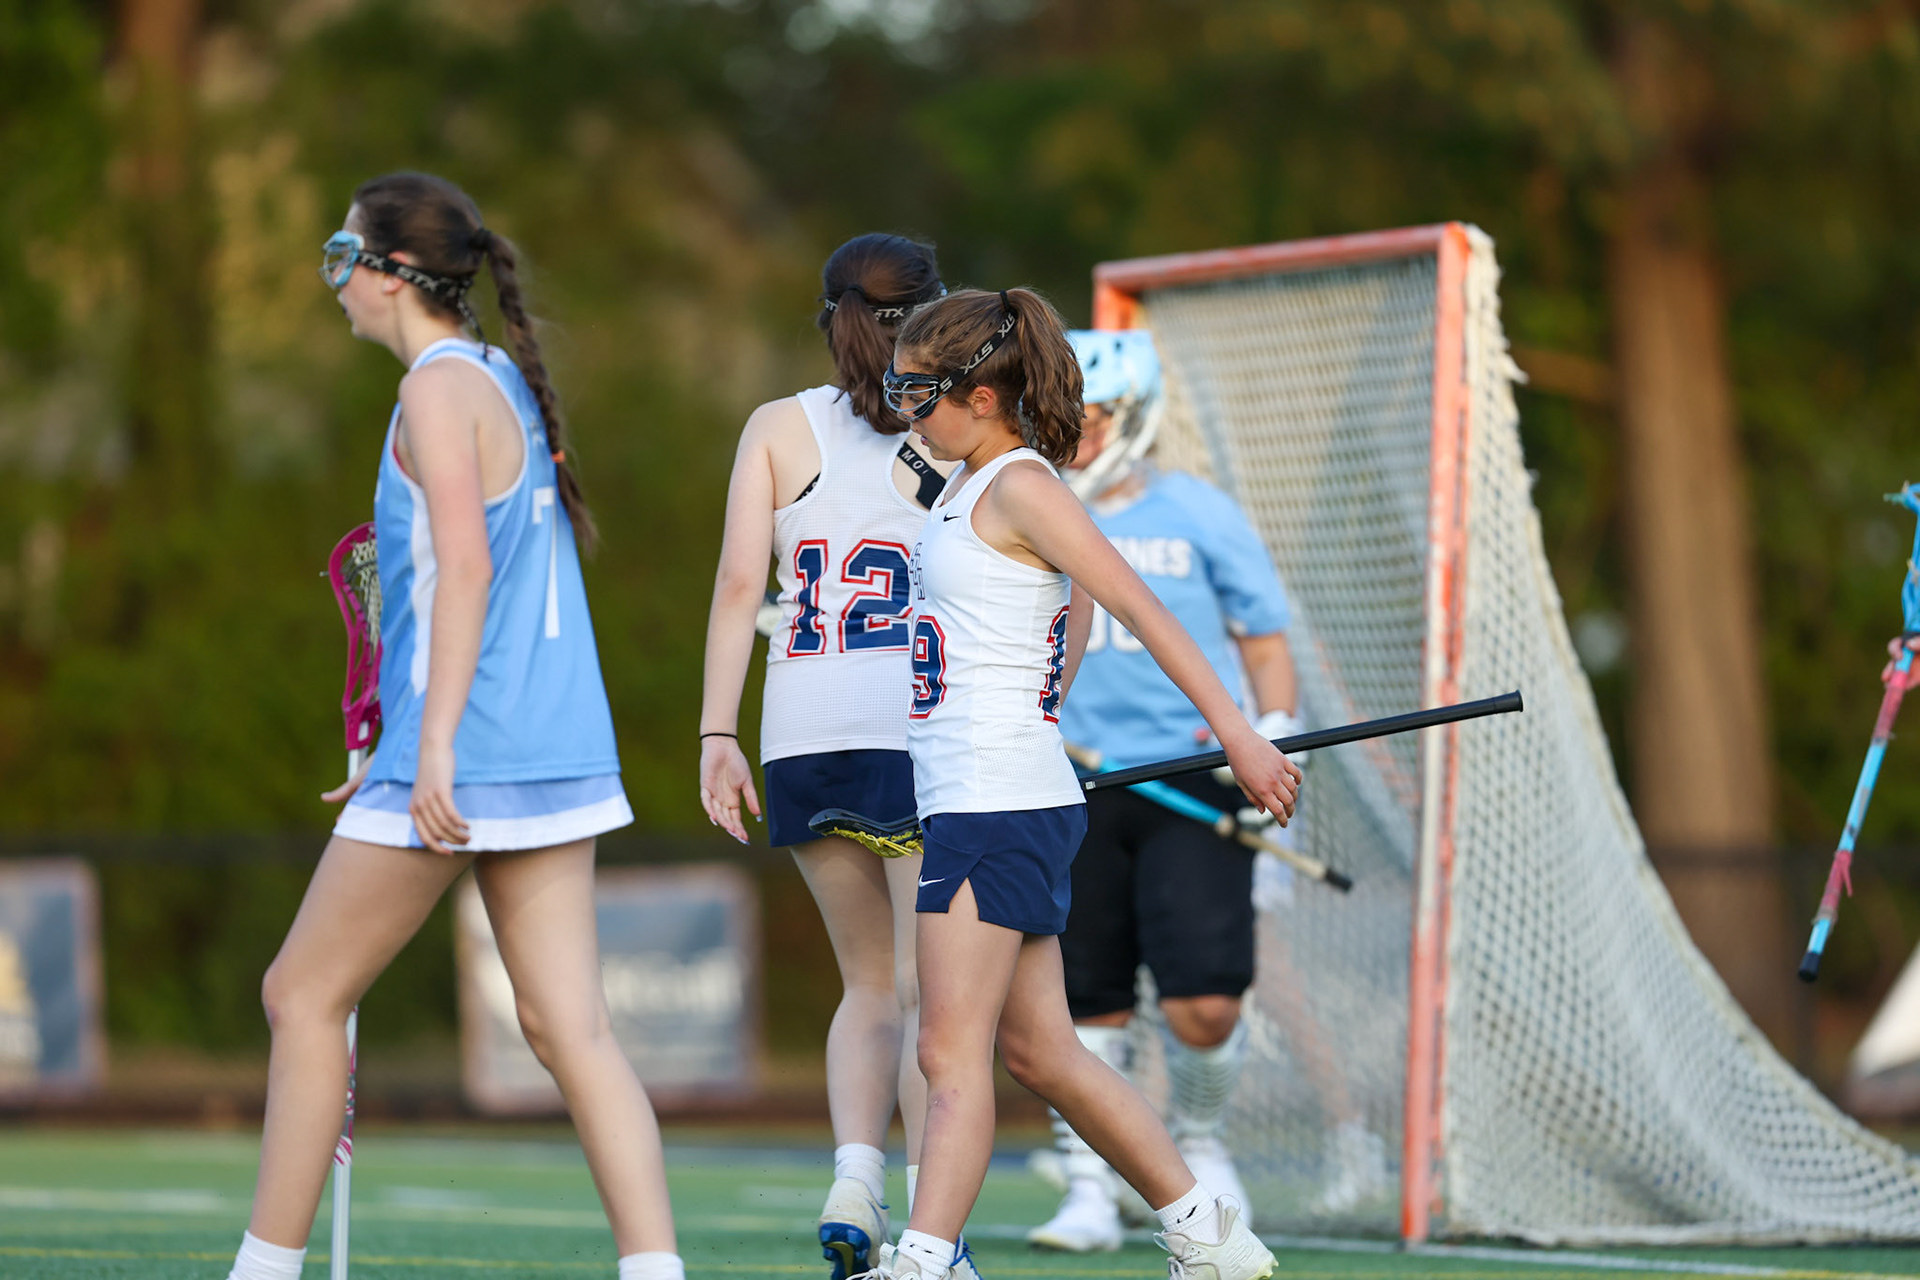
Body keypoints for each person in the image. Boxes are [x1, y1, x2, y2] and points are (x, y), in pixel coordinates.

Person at [223, 173, 680, 1280]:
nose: (334, 279)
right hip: (554, 745)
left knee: (302, 991)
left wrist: (426, 751)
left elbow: (466, 572)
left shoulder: (436, 385)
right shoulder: (496, 378)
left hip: (465, 749)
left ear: (387, 272)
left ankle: (263, 1268)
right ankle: (656, 1269)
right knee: (571, 1027)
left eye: (344, 253)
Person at [867, 288, 1300, 1280]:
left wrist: (1239, 734)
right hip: (992, 789)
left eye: (916, 392)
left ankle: (924, 1261)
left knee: (947, 1050)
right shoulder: (974, 484)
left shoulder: (1021, 484)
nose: (905, 412)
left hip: (993, 799)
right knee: (1048, 1054)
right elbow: (1079, 615)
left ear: (981, 395)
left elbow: (1134, 603)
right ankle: (1211, 1238)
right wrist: (1040, 703)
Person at [698, 234, 968, 1280]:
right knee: (924, 990)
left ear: (832, 316)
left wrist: (718, 733)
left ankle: (856, 1173)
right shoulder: (957, 424)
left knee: (866, 984)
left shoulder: (777, 424)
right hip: (917, 728)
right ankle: (927, 1232)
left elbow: (735, 588)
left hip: (803, 731)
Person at [1027, 329, 1304, 1252]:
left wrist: (1267, 732)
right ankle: (1087, 1188)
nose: (1073, 435)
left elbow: (1263, 639)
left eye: (1093, 418)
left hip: (1191, 778)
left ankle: (1201, 1141)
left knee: (1204, 999)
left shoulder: (1199, 512)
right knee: (1084, 1000)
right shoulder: (1026, 503)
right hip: (1073, 779)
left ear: (1134, 418)